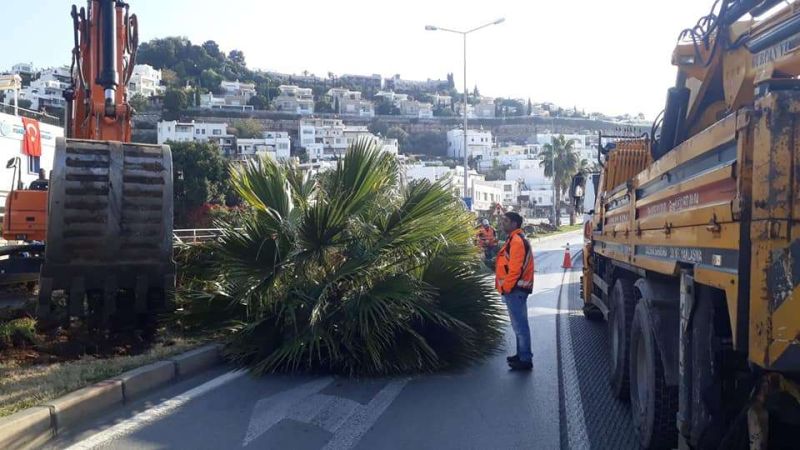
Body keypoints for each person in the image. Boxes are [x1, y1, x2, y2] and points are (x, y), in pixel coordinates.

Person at [496, 212, 535, 371]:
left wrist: (506, 288)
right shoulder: (513, 239)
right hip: (515, 289)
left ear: (514, 224)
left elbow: (515, 270)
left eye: (506, 221)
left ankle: (525, 359)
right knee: (518, 325)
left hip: (515, 289)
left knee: (520, 326)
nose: (502, 223)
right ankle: (521, 354)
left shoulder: (517, 241)